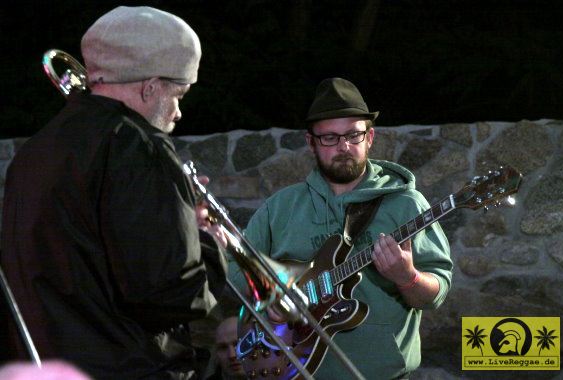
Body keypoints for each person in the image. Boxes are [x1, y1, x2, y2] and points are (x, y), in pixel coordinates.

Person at [1, 6, 227, 380]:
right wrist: (205, 240)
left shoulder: (33, 153)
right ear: (149, 86)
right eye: (179, 96)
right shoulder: (139, 148)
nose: (178, 113)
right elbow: (173, 294)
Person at [232, 78, 453, 379]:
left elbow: (435, 294)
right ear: (310, 142)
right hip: (292, 372)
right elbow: (235, 272)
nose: (344, 147)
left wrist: (408, 277)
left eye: (353, 135)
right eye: (330, 138)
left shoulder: (406, 205)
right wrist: (271, 299)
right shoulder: (278, 209)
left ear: (370, 137)